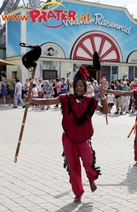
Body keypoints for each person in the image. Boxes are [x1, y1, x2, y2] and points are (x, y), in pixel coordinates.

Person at [25, 66, 108, 203]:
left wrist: (103, 97)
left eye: (81, 85)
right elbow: (48, 102)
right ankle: (78, 193)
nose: (79, 88)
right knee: (73, 167)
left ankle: (91, 179)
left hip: (84, 140)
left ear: (85, 87)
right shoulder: (65, 98)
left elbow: (105, 111)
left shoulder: (91, 101)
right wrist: (32, 100)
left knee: (88, 162)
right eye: (77, 85)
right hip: (69, 140)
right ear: (73, 87)